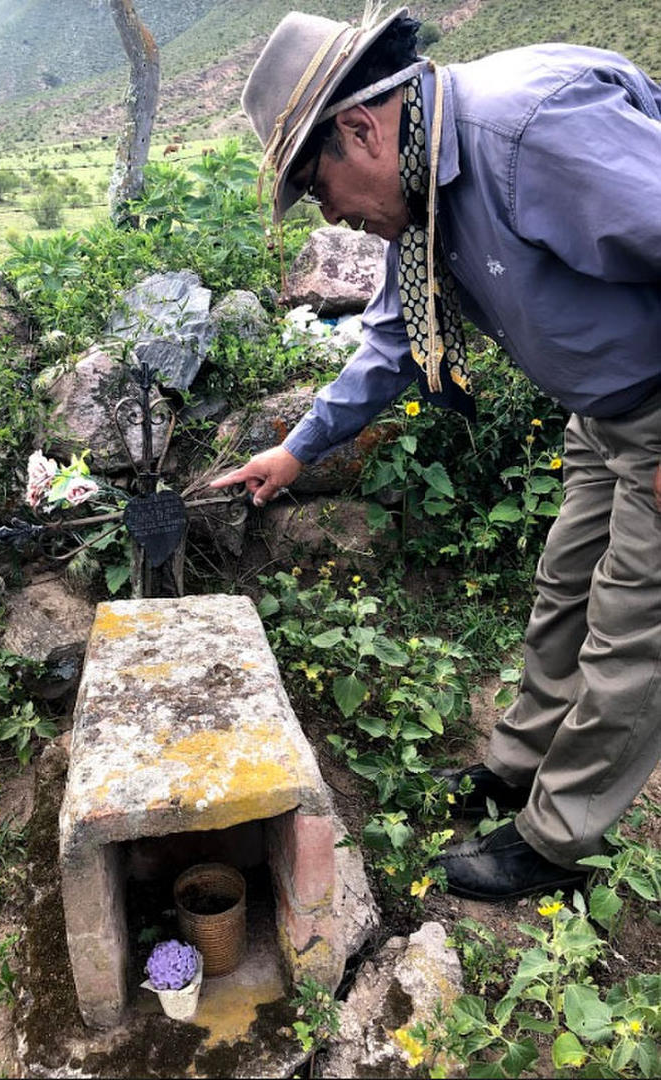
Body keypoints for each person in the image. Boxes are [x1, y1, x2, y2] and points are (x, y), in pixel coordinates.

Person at [210, 6, 661, 901]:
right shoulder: (424, 188)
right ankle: (517, 768)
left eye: (318, 185)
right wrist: (295, 453)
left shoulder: (530, 134)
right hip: (603, 413)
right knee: (566, 590)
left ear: (360, 128)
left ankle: (557, 842)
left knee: (632, 633)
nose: (332, 213)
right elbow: (389, 344)